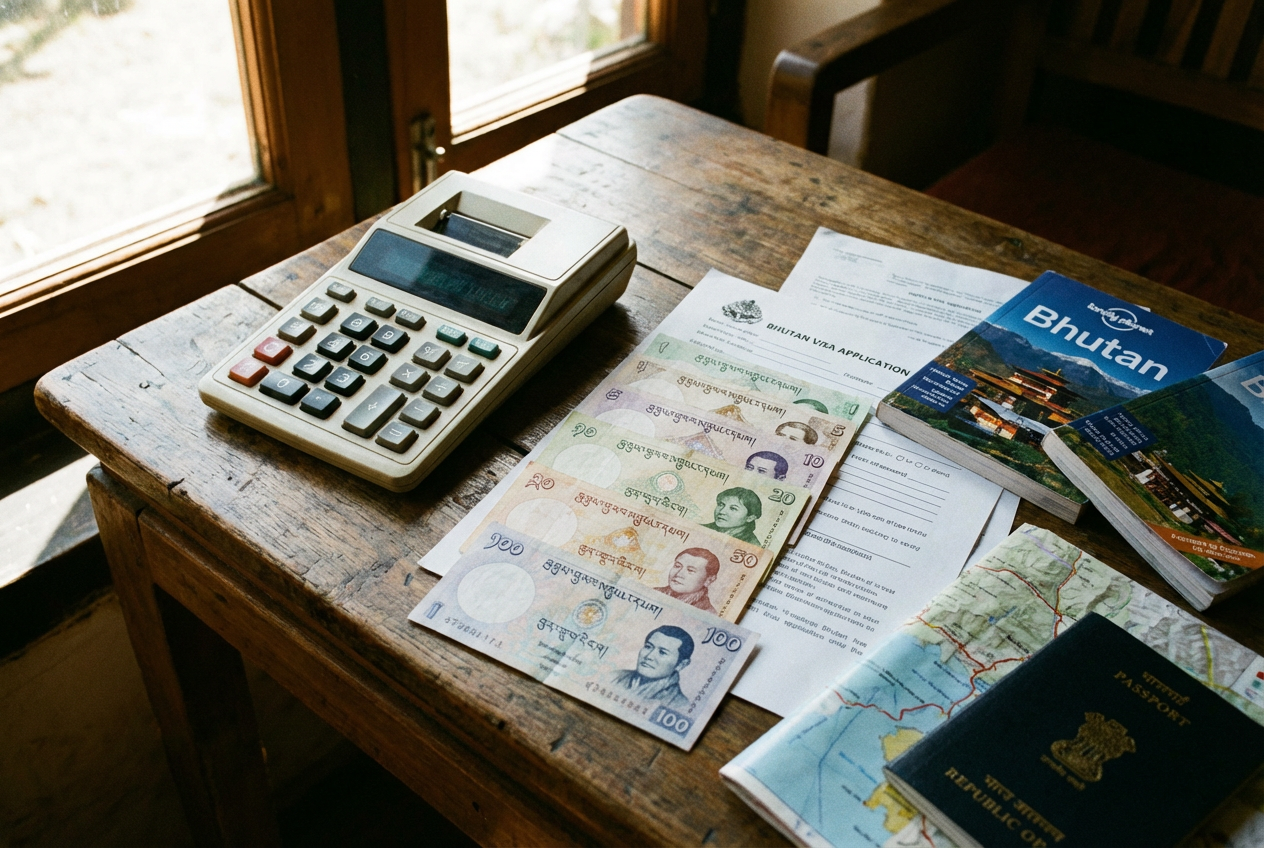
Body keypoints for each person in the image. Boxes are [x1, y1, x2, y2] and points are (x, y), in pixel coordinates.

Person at [610, 625, 694, 710]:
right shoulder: (614, 676)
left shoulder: (679, 704)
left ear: (681, 665)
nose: (649, 656)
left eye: (662, 652)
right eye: (648, 647)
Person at [655, 548, 720, 613]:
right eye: (677, 566)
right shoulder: (653, 592)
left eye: (690, 570)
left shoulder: (707, 613)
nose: (679, 574)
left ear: (709, 580)